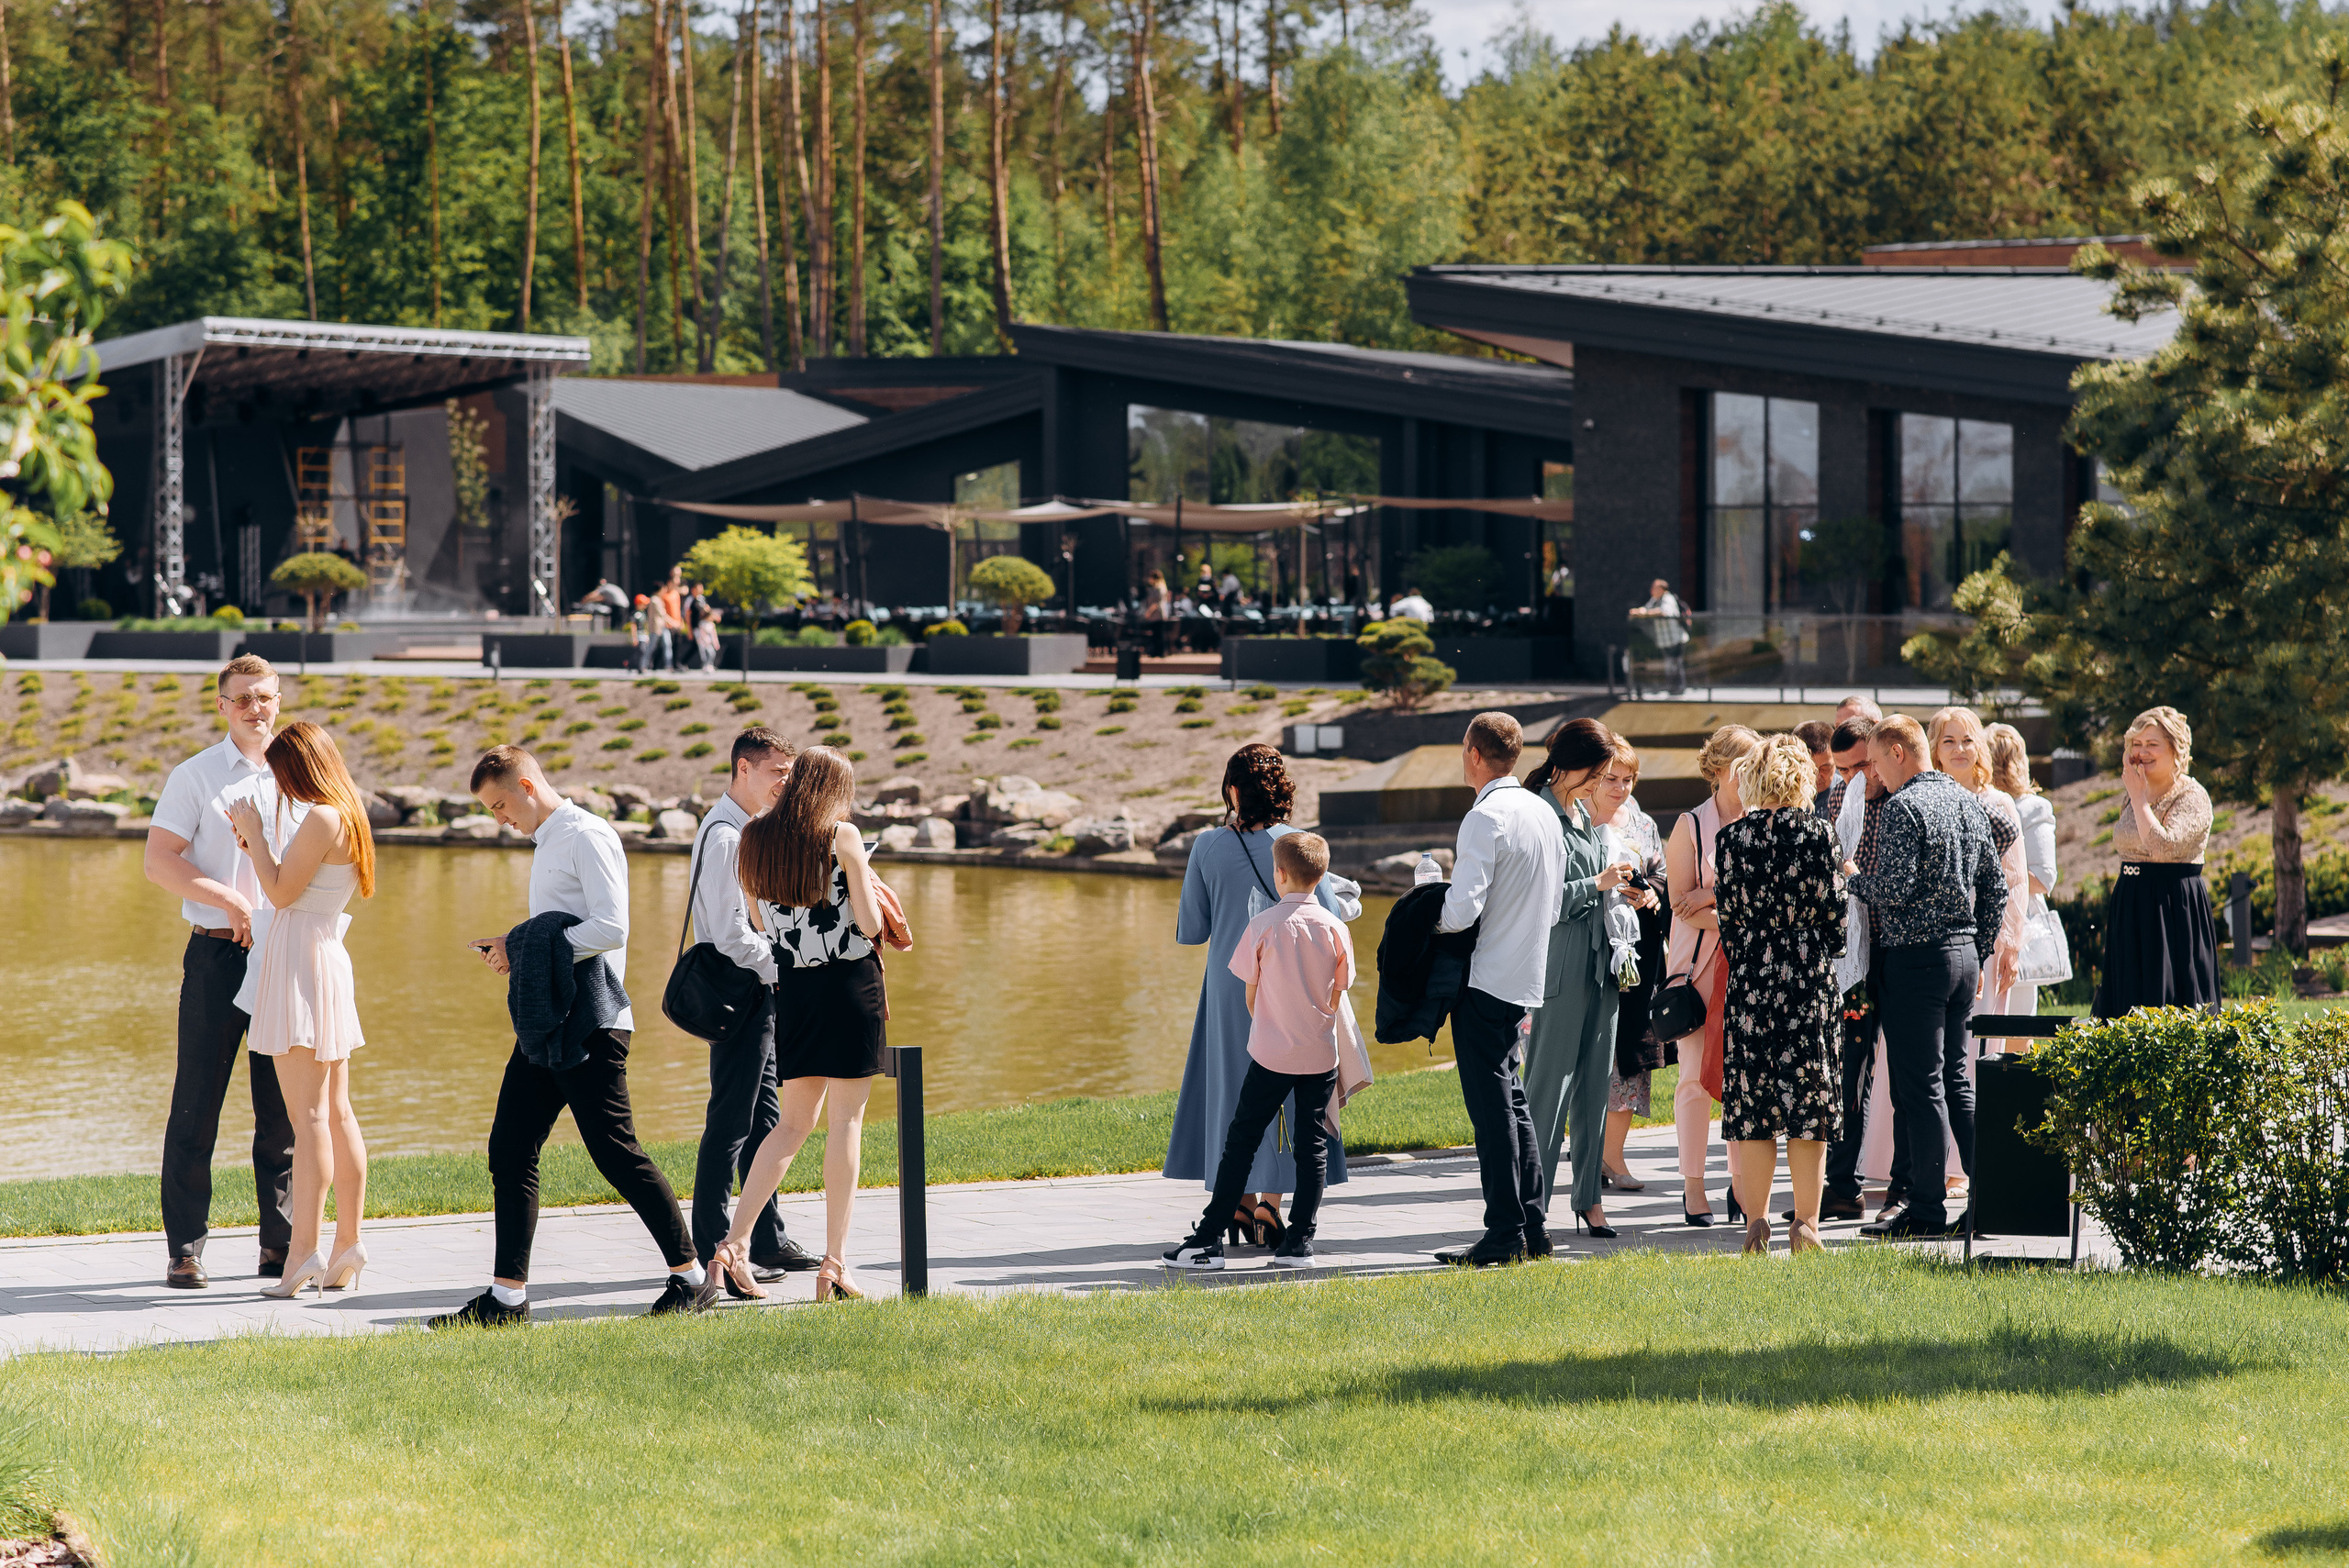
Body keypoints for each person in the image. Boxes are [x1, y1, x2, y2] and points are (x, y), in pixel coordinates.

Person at [428, 746, 706, 1327]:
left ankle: (693, 1279)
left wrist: (523, 946)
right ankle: (507, 1299)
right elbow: (560, 930)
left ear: (528, 786)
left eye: (502, 804)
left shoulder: (587, 835)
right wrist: (517, 948)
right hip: (548, 1017)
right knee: (510, 1148)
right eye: (491, 810)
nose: (500, 818)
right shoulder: (549, 841)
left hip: (593, 1021)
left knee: (615, 1153)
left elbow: (612, 928)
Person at [708, 747, 889, 1304]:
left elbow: (761, 922)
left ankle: (732, 1247)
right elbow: (869, 921)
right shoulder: (843, 835)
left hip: (795, 991)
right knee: (845, 1124)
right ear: (835, 787)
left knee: (790, 1127)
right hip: (850, 986)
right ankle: (834, 1263)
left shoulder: (755, 838)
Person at [142, 652, 297, 1289]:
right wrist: (230, 900)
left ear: (279, 698)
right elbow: (159, 860)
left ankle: (279, 1246)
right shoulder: (196, 775)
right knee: (195, 1105)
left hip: (284, 953)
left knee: (282, 1110)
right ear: (221, 706)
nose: (254, 708)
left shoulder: (300, 773)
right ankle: (185, 1249)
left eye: (264, 696)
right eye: (242, 698)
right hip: (215, 953)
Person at [1168, 744, 1362, 1244]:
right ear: (1282, 791)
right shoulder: (1299, 845)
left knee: (1236, 1093)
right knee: (1291, 1096)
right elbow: (1326, 920)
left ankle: (1237, 1204)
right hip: (1293, 988)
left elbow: (1192, 930)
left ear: (1233, 791)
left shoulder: (1206, 846)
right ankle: (1272, 1209)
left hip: (1230, 987)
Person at [224, 720, 376, 1297]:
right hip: (323, 956)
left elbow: (281, 895)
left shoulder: (321, 815)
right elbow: (290, 886)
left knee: (308, 1119)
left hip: (300, 961)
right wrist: (258, 848)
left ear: (301, 767)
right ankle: (346, 1246)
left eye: (282, 773)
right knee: (336, 1113)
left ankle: (303, 1254)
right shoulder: (348, 813)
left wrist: (256, 836)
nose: (278, 785)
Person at [1847, 715, 2008, 1240]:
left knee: (1921, 1088)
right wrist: (1978, 953)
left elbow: (1894, 887)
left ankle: (1927, 1209)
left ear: (1897, 752)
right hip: (1962, 958)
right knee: (1957, 1081)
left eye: (1873, 762)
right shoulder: (1965, 800)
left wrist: (1852, 879)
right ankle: (1991, 1195)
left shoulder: (1902, 806)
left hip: (1917, 960)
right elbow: (1995, 889)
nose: (1872, 774)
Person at [686, 728, 820, 1292]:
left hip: (755, 992)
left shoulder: (744, 831)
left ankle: (764, 1237)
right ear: (743, 768)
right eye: (777, 774)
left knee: (766, 1117)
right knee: (731, 1123)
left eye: (788, 774)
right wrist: (786, 967)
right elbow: (731, 937)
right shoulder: (725, 838)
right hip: (740, 993)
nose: (785, 785)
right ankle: (714, 1245)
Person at [1433, 713, 1568, 1267]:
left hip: (1486, 976)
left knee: (1492, 1111)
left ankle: (1504, 1231)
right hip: (1526, 975)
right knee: (1512, 1102)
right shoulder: (1543, 811)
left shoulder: (1484, 817)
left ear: (1473, 754)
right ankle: (1533, 1227)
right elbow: (1555, 904)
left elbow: (1462, 910)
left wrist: (1429, 918)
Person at [1715, 733, 1848, 1256]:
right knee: (1807, 1106)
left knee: (1755, 1106)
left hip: (1751, 982)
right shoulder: (1820, 835)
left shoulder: (1730, 840)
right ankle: (1807, 1224)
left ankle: (1757, 1221)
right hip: (1807, 980)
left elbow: (1728, 921)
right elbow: (1837, 922)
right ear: (1801, 777)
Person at [1523, 719, 1655, 1240]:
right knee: (1546, 1091)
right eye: (1598, 773)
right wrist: (1597, 883)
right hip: (1560, 965)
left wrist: (1627, 890)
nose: (1605, 784)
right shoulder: (1539, 813)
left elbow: (1597, 882)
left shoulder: (1581, 813)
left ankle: (1588, 1201)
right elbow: (1540, 902)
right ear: (1571, 765)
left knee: (1595, 1088)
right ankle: (1529, 1207)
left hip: (1605, 965)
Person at [1663, 723, 1761, 1225]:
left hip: (1752, 967)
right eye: (1742, 764)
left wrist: (1717, 899)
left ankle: (1743, 1188)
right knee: (1695, 1081)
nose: (1749, 774)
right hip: (1698, 969)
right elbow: (1681, 905)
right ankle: (1693, 1186)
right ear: (1719, 768)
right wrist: (1736, 909)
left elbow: (1772, 902)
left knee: (1744, 1083)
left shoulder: (1768, 821)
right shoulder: (1691, 825)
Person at [2095, 706, 2218, 1017]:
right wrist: (2137, 794)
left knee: (2170, 1005)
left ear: (2176, 749)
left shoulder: (2192, 795)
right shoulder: (2138, 790)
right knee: (2126, 1004)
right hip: (2131, 901)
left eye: (2152, 744)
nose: (2141, 753)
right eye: (2136, 744)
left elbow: (2164, 848)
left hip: (2171, 907)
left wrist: (2138, 798)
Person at [1588, 735, 1668, 1193]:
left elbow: (1660, 871)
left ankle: (1613, 1158)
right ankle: (1587, 1155)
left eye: (1627, 779)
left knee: (1629, 1056)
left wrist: (1652, 892)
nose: (1619, 787)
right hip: (1589, 951)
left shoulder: (1641, 822)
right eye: (1610, 778)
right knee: (1589, 1056)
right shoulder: (1578, 819)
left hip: (1635, 958)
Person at [1931, 706, 2027, 1072]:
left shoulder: (1998, 803)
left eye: (1967, 740)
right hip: (1934, 933)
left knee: (1976, 1039)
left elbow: (2015, 878)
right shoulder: (1924, 797)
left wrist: (2011, 944)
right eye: (1949, 741)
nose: (1959, 749)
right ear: (1935, 749)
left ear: (1980, 748)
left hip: (1985, 933)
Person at [1821, 717, 1886, 1222]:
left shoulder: (1902, 801)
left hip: (1898, 950)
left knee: (1907, 1077)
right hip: (1849, 959)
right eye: (1841, 769)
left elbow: (2000, 829)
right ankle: (1843, 1185)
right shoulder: (1833, 798)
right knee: (1848, 1071)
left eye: (1861, 765)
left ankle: (1908, 1183)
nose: (1852, 778)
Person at [1987, 721, 2060, 1021]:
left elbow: (2043, 878)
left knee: (2016, 1028)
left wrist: (1990, 879)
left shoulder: (2033, 808)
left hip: (2018, 926)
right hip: (1979, 928)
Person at [1630, 579, 1688, 694]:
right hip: (1665, 640)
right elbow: (1647, 608)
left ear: (1661, 589)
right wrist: (1638, 611)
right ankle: (1672, 688)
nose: (1652, 590)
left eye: (1654, 587)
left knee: (1675, 664)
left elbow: (1664, 612)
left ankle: (1678, 689)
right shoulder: (1655, 600)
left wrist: (1645, 613)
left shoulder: (1668, 598)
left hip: (1675, 639)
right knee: (1670, 664)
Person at [1796, 719, 1835, 807]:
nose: (1817, 777)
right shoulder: (1781, 799)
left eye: (1825, 769)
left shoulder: (1845, 795)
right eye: (1811, 770)